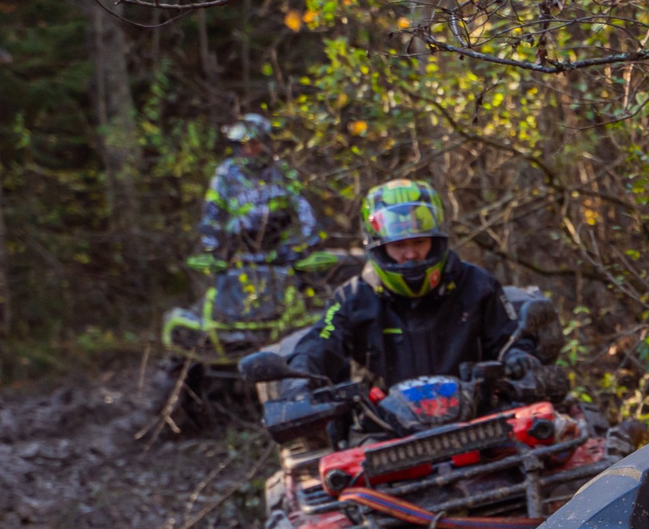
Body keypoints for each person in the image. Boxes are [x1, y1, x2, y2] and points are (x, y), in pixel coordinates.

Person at [284, 179, 564, 395]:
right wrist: (298, 383)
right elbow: (320, 343)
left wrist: (518, 356)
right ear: (379, 248)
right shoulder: (352, 297)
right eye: (399, 245)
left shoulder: (476, 284)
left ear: (436, 239)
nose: (410, 254)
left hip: (479, 416)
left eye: (419, 242)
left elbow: (508, 337)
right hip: (385, 430)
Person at [191, 113, 319, 268]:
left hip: (281, 256)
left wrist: (302, 246)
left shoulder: (283, 173)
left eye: (254, 143)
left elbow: (304, 212)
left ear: (265, 143)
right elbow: (211, 215)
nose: (249, 150)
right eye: (244, 145)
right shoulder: (226, 174)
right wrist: (212, 249)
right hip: (237, 257)